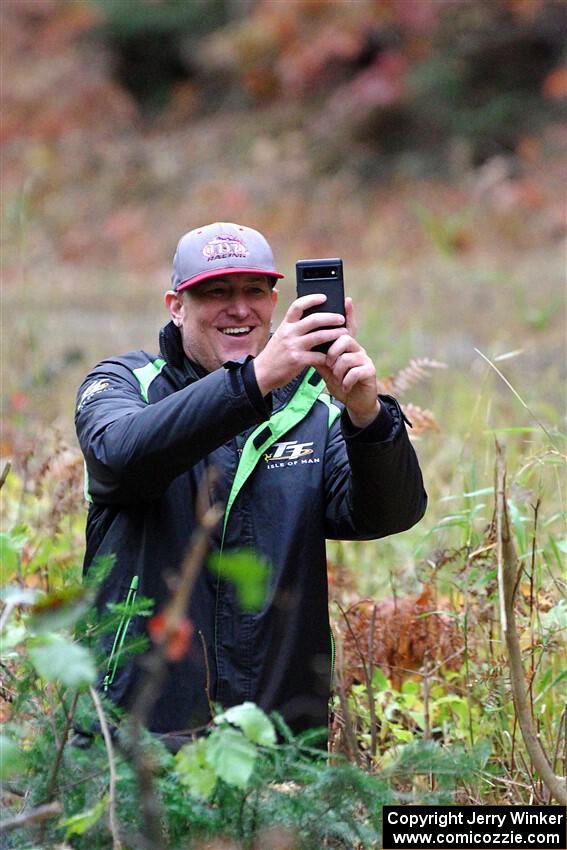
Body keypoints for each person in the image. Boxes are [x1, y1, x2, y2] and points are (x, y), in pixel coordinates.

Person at [75, 221, 426, 749]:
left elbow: (388, 514)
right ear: (176, 305)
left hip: (277, 743)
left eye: (254, 292)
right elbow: (120, 457)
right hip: (138, 740)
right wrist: (257, 378)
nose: (239, 309)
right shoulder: (124, 385)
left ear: (276, 302)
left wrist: (365, 413)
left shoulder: (315, 413)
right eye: (216, 292)